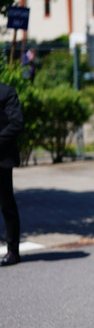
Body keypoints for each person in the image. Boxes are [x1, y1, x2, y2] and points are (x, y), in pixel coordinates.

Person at [0, 83, 24, 267]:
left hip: (2, 158)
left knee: (6, 204)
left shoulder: (6, 92)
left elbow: (17, 123)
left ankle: (13, 251)